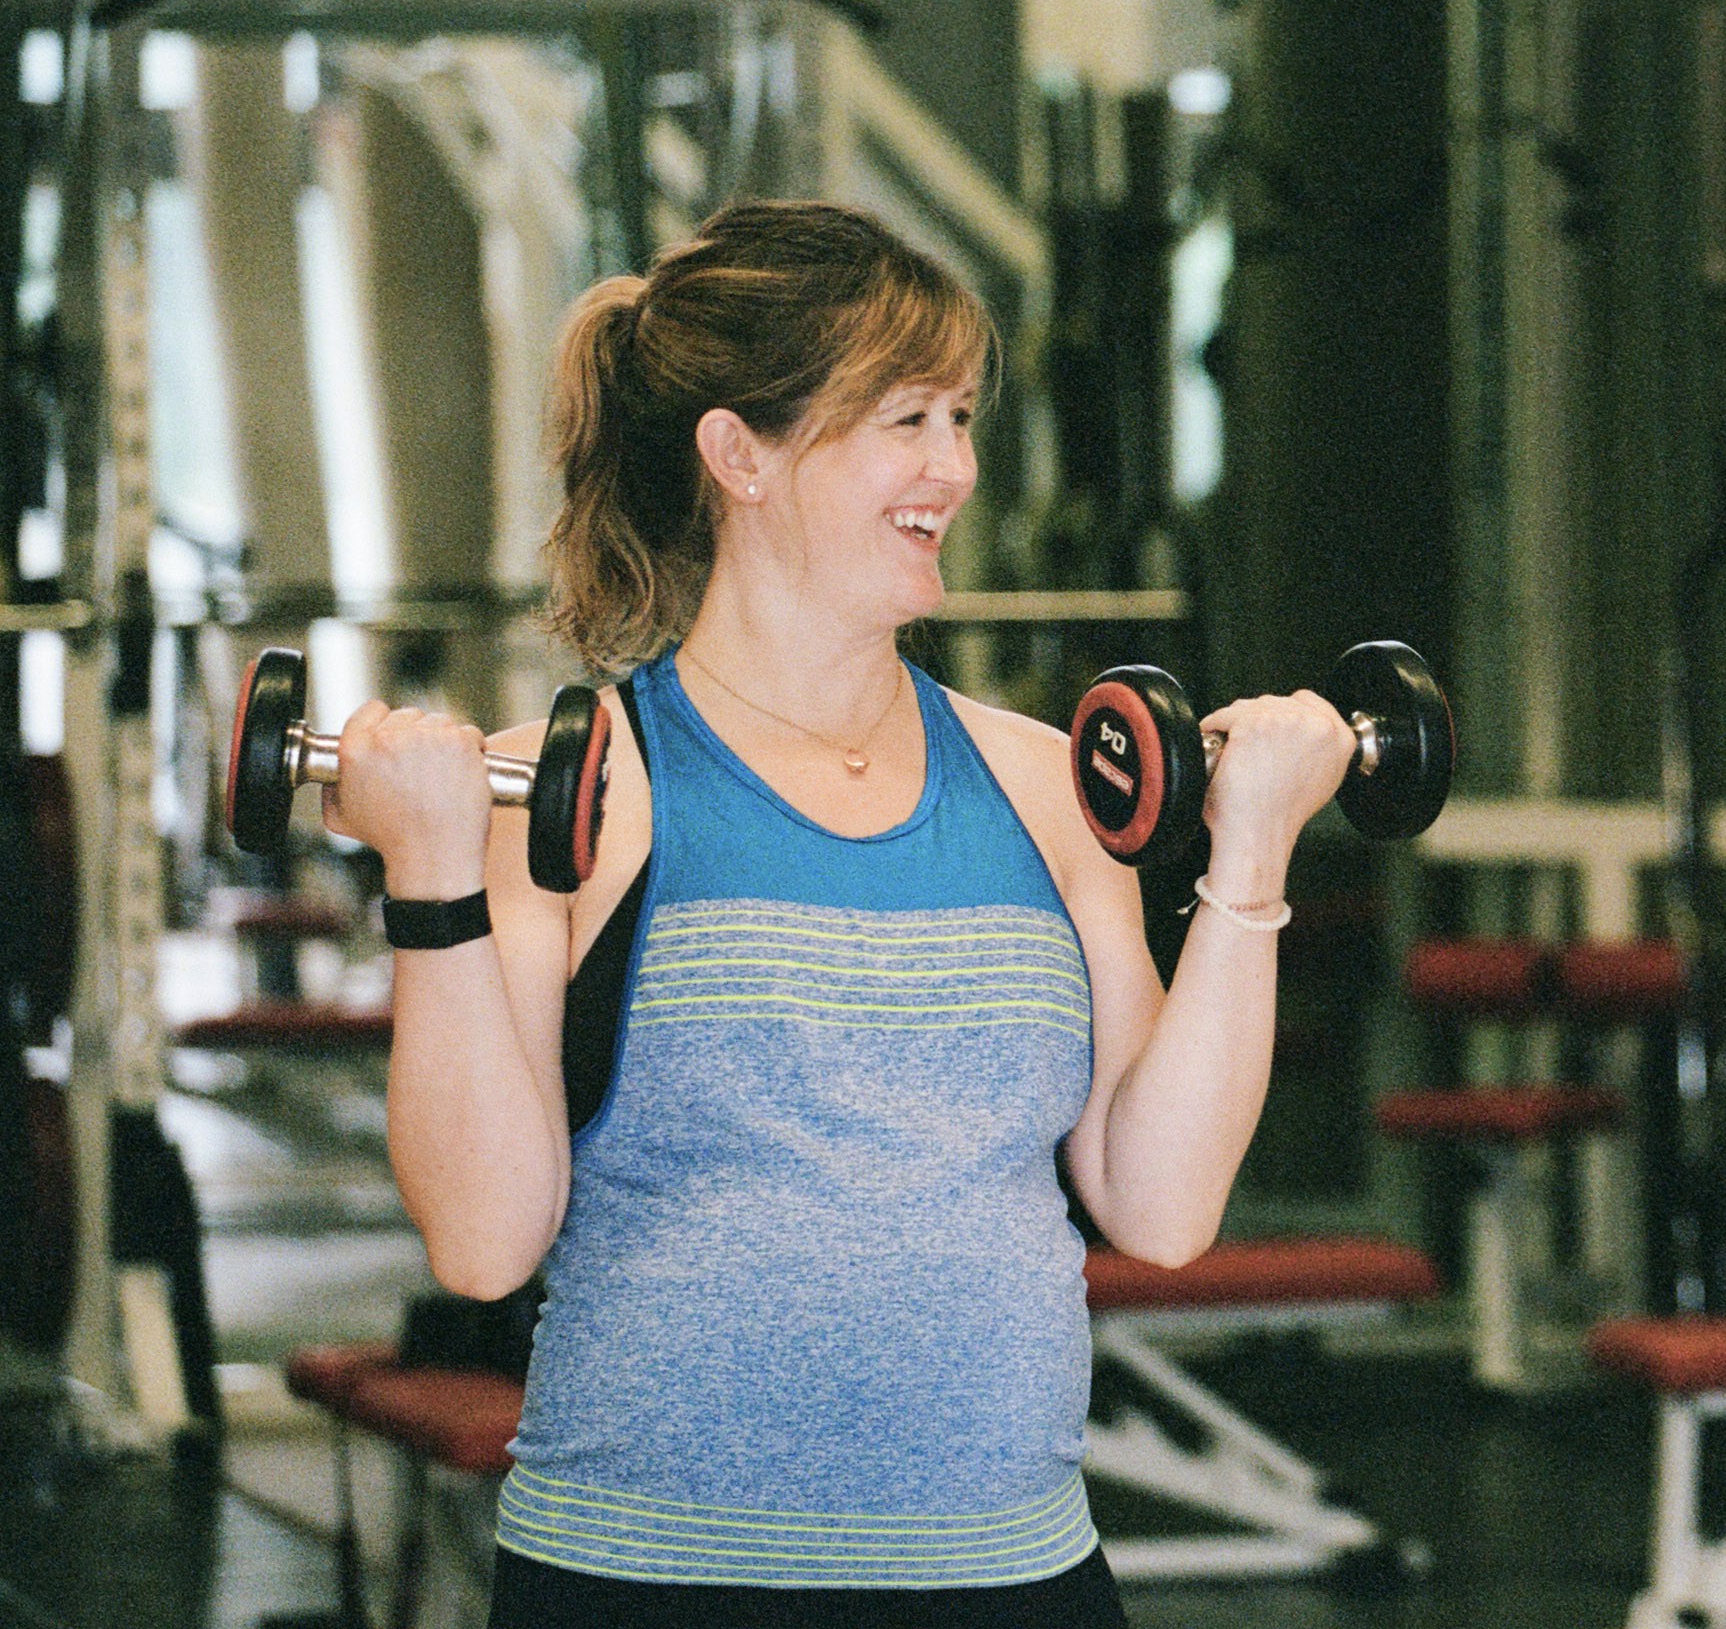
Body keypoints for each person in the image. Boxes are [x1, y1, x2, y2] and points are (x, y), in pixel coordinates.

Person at [322, 201, 1360, 1629]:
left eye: (959, 417)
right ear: (739, 454)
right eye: (903, 421)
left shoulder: (1048, 787)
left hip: (1006, 1578)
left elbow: (1162, 1205)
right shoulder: (585, 793)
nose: (955, 468)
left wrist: (1248, 868)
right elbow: (484, 1243)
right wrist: (432, 884)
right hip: (649, 1580)